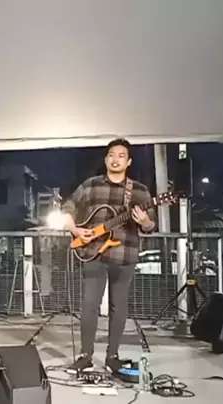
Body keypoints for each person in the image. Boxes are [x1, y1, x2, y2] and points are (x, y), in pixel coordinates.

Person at [61, 138, 156, 375]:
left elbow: (150, 226)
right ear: (105, 160)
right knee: (89, 305)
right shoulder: (91, 185)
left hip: (125, 256)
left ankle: (112, 356)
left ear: (129, 162)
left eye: (121, 156)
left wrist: (145, 221)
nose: (116, 160)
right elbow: (68, 207)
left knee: (119, 307)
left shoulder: (140, 191)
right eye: (112, 155)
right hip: (93, 253)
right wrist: (74, 229)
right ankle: (85, 356)